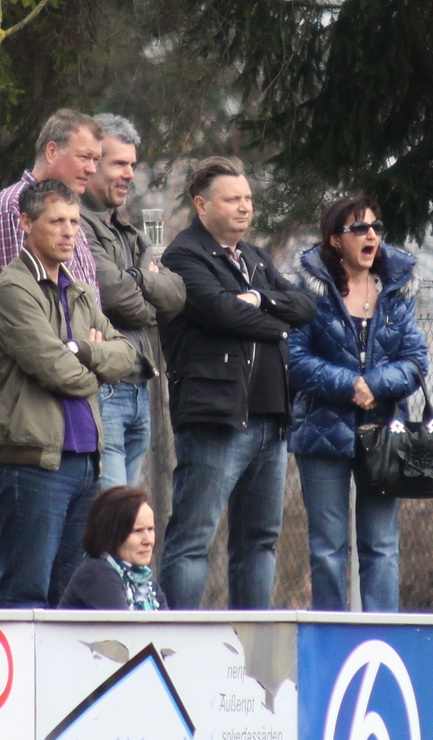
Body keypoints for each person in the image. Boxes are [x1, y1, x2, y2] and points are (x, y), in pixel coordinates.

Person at [157, 156, 316, 609]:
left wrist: (261, 299)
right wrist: (278, 323)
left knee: (259, 542)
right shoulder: (183, 257)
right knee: (194, 538)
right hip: (217, 419)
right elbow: (223, 312)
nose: (245, 207)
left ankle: (250, 642)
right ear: (202, 205)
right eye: (232, 199)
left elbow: (306, 306)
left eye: (248, 198)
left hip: (270, 420)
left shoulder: (255, 258)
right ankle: (176, 640)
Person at [0, 179, 135, 608]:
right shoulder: (12, 290)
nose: (69, 232)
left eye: (74, 222)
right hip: (33, 463)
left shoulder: (79, 291)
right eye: (56, 222)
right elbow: (58, 371)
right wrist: (95, 370)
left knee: (70, 598)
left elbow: (127, 354)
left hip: (86, 462)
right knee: (26, 594)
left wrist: (82, 350)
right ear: (25, 222)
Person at [288, 196, 428, 612]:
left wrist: (375, 386)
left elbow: (416, 361)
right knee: (328, 548)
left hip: (384, 434)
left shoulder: (395, 290)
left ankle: (381, 632)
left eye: (376, 228)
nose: (371, 235)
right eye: (359, 228)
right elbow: (295, 358)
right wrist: (350, 385)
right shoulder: (311, 291)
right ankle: (331, 632)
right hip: (321, 430)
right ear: (335, 240)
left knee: (381, 546)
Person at [80, 114, 185, 489]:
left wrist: (137, 279)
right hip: (104, 388)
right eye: (118, 164)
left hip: (141, 390)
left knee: (126, 512)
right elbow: (117, 298)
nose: (129, 174)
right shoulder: (77, 225)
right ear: (93, 163)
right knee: (109, 510)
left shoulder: (129, 232)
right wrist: (148, 294)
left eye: (132, 165)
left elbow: (176, 295)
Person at [0, 110, 105, 405]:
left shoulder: (70, 212)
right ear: (52, 151)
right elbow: (14, 318)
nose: (92, 169)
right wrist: (89, 356)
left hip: (78, 388)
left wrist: (94, 356)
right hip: (28, 400)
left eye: (96, 160)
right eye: (84, 157)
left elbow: (93, 315)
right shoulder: (12, 209)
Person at [58, 486, 166, 610]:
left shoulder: (147, 583)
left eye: (150, 529)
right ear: (112, 533)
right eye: (137, 531)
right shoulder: (98, 573)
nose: (148, 541)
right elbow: (123, 623)